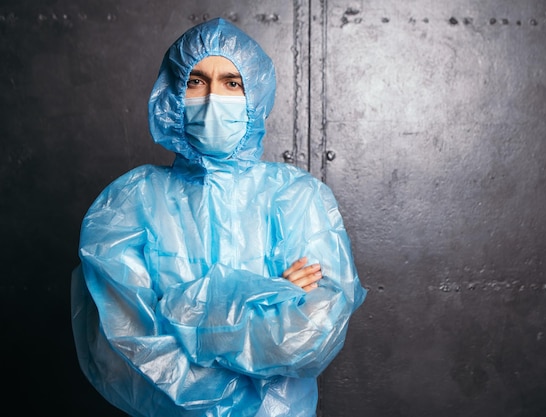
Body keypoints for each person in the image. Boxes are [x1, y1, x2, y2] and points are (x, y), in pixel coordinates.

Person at [71, 17, 367, 417]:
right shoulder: (129, 205)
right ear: (172, 93)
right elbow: (121, 348)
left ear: (255, 95)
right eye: (196, 82)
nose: (212, 98)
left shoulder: (297, 197)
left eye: (231, 83)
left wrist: (175, 308)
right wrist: (262, 295)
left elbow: (310, 337)